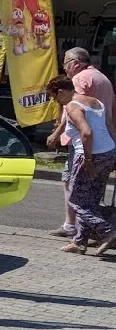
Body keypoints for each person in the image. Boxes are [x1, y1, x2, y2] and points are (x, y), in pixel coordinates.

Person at [46, 74, 116, 254]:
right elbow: (111, 129)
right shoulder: (96, 102)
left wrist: (88, 159)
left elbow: (86, 133)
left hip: (89, 156)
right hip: (108, 152)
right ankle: (79, 242)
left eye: (56, 98)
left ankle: (108, 231)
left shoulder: (72, 106)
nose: (58, 102)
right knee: (91, 198)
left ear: (61, 92)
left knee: (77, 200)